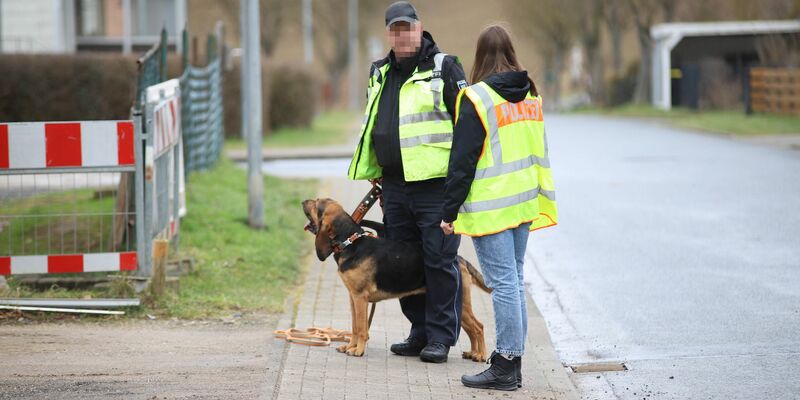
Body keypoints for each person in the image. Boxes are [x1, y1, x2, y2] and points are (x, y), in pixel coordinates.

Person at [347, 1, 469, 363]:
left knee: (439, 261)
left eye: (408, 28)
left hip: (435, 186)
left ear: (419, 28)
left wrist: (460, 185)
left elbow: (466, 126)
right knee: (402, 261)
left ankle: (440, 338)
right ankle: (419, 332)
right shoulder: (379, 71)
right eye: (395, 29)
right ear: (389, 34)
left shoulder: (444, 67)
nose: (402, 35)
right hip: (395, 187)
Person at [440, 25, 558, 390]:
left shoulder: (477, 98)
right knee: (513, 281)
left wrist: (448, 211)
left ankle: (506, 363)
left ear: (479, 56)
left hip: (493, 207)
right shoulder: (531, 94)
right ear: (511, 52)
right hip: (524, 201)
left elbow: (462, 161)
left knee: (504, 283)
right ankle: (512, 363)